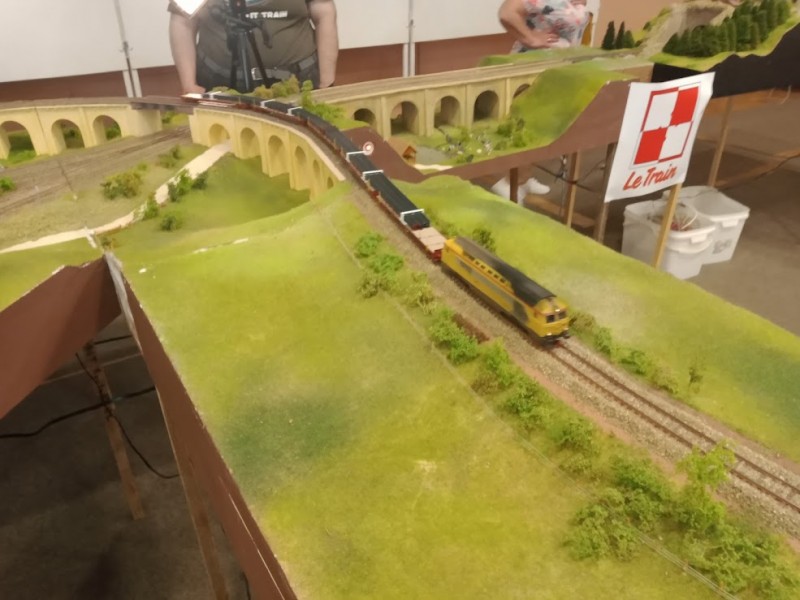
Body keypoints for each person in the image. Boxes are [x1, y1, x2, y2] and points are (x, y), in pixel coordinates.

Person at [493, 0, 591, 199]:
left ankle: (524, 177)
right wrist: (531, 38)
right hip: (535, 70)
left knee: (541, 126)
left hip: (559, 70)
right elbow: (507, 13)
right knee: (528, 126)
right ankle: (509, 184)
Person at [168, 0, 338, 94]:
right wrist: (188, 84)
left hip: (298, 80)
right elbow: (183, 22)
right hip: (219, 82)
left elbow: (324, 14)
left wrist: (326, 83)